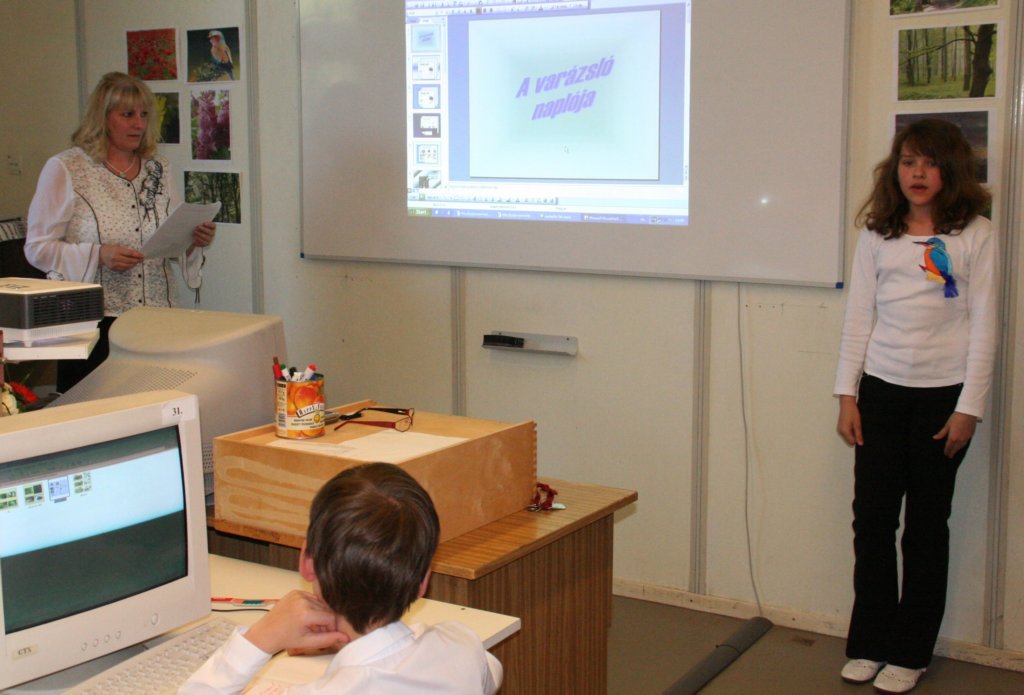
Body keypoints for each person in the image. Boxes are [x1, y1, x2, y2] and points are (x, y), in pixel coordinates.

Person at [833, 119, 998, 694]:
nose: (917, 173)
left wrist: (969, 408)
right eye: (908, 162)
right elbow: (859, 318)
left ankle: (911, 652)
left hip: (944, 399)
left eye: (929, 163)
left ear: (950, 171)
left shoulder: (976, 233)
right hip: (880, 393)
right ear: (895, 169)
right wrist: (847, 394)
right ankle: (870, 643)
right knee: (873, 521)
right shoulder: (877, 233)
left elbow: (985, 326)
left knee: (926, 528)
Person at [181, 462, 503, 694]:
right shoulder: (460, 645)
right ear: (423, 581)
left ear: (307, 562)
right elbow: (490, 671)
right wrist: (357, 643)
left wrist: (261, 638)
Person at [25, 72, 216, 393]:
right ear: (103, 118)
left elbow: (169, 237)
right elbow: (37, 248)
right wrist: (98, 255)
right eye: (127, 115)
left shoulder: (158, 168)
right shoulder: (67, 168)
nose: (139, 124)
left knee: (158, 407)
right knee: (95, 411)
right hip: (95, 325)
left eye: (144, 115)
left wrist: (192, 240)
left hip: (158, 319)